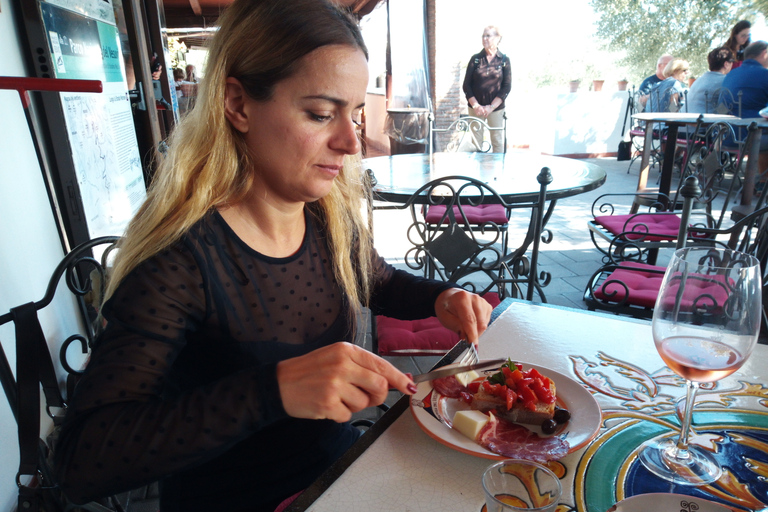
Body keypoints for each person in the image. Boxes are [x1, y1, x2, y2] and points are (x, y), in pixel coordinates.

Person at [52, 1, 493, 511]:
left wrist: (441, 297)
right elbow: (80, 460)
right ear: (238, 104)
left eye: (354, 114)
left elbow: (374, 279)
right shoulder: (181, 263)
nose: (352, 141)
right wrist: (273, 390)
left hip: (338, 480)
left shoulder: (326, 216)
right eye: (321, 114)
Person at [462, 25, 511, 153]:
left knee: (497, 141)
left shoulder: (504, 61)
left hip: (496, 109)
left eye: (488, 36)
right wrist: (476, 105)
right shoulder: (476, 59)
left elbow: (506, 87)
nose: (484, 38)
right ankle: (475, 172)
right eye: (483, 36)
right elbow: (466, 85)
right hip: (476, 109)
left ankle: (498, 172)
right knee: (475, 144)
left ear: (498, 38)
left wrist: (491, 107)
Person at [722, 40, 768, 119]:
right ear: (764, 53)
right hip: (754, 128)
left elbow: (721, 108)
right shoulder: (765, 75)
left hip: (726, 128)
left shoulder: (730, 75)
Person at [687, 47, 734, 114]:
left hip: (684, 120)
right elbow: (724, 110)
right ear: (726, 64)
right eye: (732, 61)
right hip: (701, 122)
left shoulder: (699, 79)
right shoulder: (725, 81)